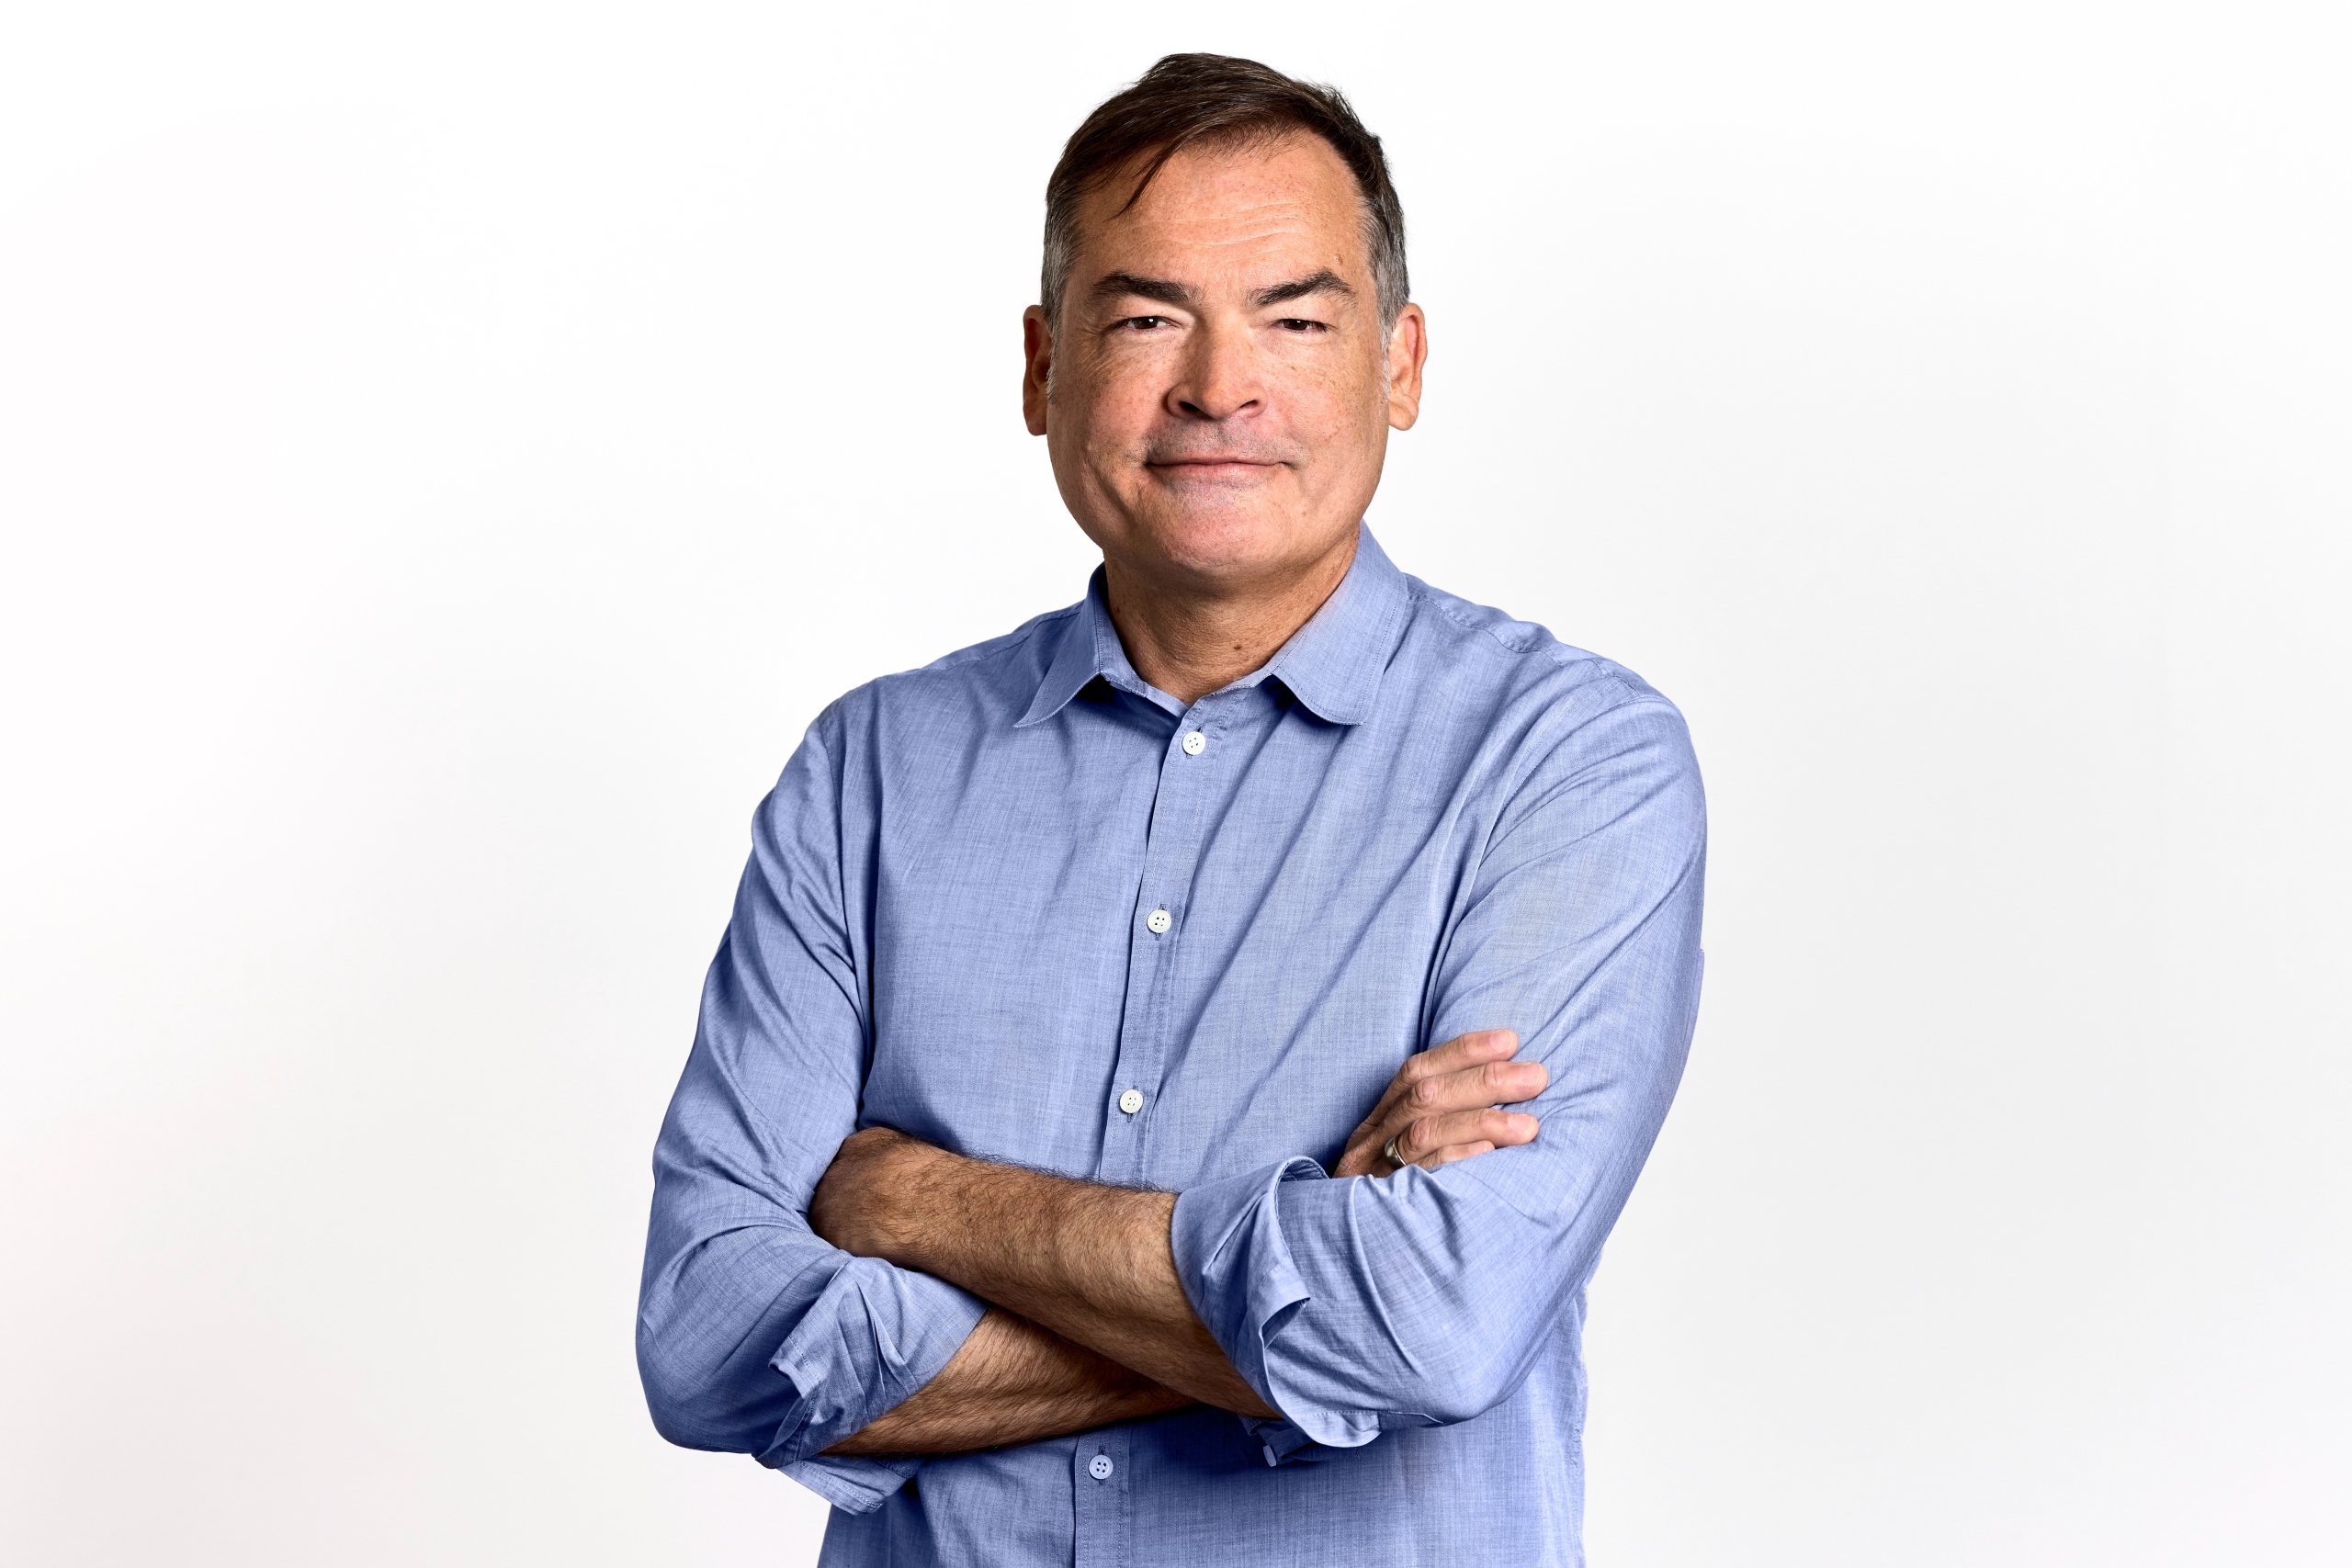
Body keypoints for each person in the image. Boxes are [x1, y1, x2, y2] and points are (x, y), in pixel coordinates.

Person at [638, 52, 1705, 1567]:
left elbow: (1435, 1328)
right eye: (1146, 320)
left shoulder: (1567, 763)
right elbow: (706, 1340)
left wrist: (917, 1201)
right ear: (1042, 369)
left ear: (1400, 365)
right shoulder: (869, 772)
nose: (1218, 387)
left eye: (1295, 320)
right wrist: (1292, 1286)